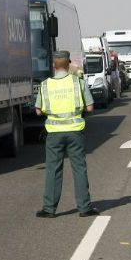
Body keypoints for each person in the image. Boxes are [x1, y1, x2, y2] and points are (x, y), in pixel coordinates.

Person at [35, 51, 98, 218]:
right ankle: (84, 208)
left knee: (53, 170)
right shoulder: (78, 82)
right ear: (68, 63)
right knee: (79, 168)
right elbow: (90, 107)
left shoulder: (45, 85)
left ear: (54, 65)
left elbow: (38, 111)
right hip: (75, 132)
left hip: (54, 134)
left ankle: (49, 209)